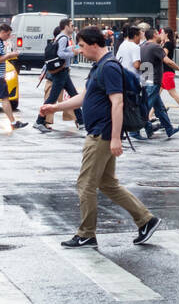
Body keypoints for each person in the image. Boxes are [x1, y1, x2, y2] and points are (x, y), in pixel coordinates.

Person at [45, 26, 162, 250]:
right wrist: (55, 106)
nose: (79, 50)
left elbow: (117, 102)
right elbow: (85, 96)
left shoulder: (108, 67)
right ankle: (146, 220)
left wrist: (116, 138)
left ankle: (86, 233)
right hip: (102, 132)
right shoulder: (100, 66)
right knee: (107, 183)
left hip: (102, 134)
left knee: (85, 184)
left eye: (81, 45)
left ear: (93, 44)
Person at [35, 19, 79, 133]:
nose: (73, 27)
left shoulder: (60, 37)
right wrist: (73, 53)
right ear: (66, 26)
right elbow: (60, 53)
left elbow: (60, 51)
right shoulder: (63, 37)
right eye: (71, 25)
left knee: (74, 95)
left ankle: (82, 121)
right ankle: (39, 121)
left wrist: (73, 49)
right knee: (52, 98)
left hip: (62, 71)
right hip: (61, 71)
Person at [139, 27, 179, 140]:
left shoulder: (142, 46)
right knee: (146, 107)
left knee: (159, 108)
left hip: (145, 79)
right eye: (157, 33)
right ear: (153, 35)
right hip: (153, 80)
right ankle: (135, 131)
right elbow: (167, 61)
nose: (159, 35)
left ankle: (169, 129)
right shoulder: (156, 47)